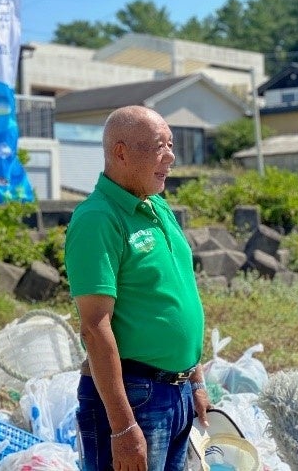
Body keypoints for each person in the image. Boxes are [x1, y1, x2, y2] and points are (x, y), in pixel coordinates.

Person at [64, 105, 210, 471]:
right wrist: (123, 426)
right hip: (136, 398)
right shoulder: (98, 218)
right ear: (121, 152)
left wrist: (196, 379)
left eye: (171, 145)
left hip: (174, 395)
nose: (171, 157)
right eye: (159, 147)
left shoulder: (156, 206)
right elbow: (95, 327)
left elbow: (177, 295)